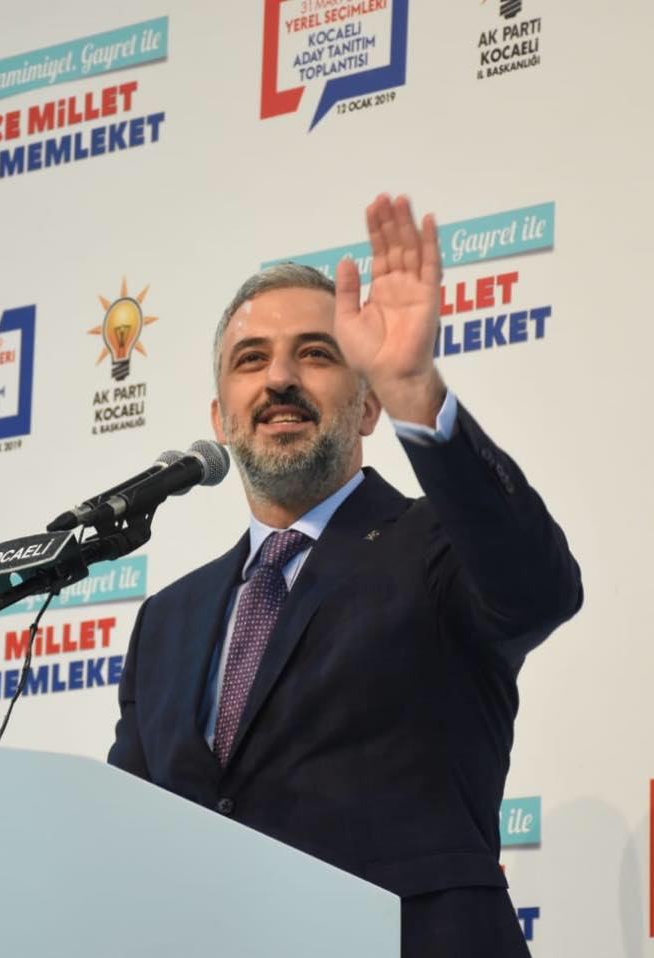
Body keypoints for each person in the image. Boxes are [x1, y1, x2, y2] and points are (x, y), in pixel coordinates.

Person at [107, 194, 582, 957]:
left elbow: (537, 590)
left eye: (316, 354)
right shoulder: (166, 619)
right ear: (220, 418)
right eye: (250, 360)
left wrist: (414, 387)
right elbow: (125, 834)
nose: (279, 378)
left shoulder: (436, 546)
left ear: (366, 408)